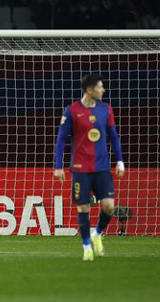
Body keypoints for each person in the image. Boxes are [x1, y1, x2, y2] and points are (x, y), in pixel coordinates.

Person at [54, 74, 125, 261]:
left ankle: (98, 233)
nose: (103, 90)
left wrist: (120, 161)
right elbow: (61, 139)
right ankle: (86, 247)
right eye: (100, 87)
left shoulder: (105, 109)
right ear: (89, 90)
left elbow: (114, 137)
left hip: (102, 168)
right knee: (83, 207)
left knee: (109, 206)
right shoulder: (71, 111)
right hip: (80, 168)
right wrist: (58, 166)